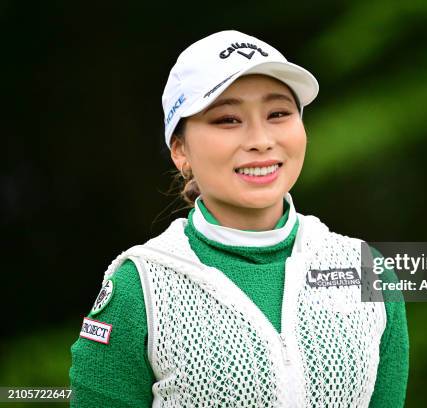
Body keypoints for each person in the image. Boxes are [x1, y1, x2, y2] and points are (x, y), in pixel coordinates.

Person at [69, 30, 409, 407]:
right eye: (228, 119)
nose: (261, 139)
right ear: (180, 150)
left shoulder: (366, 271)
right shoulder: (139, 288)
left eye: (278, 113)